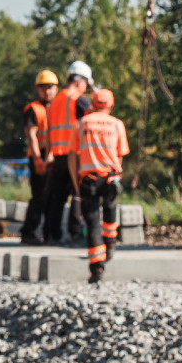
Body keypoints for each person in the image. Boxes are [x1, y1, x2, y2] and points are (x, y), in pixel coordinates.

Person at [70, 89, 130, 284]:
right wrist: (116, 174)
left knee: (93, 221)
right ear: (111, 105)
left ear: (93, 104)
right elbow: (120, 154)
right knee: (110, 207)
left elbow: (73, 156)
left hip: (88, 178)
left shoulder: (81, 124)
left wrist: (75, 181)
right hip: (111, 176)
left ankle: (97, 267)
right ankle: (110, 243)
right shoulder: (117, 124)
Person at [41, 61, 93, 244]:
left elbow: (50, 130)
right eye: (86, 84)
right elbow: (93, 122)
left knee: (58, 196)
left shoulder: (56, 100)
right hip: (75, 155)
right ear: (80, 82)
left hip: (58, 154)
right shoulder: (79, 99)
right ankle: (76, 232)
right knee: (78, 193)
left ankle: (52, 234)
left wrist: (48, 154)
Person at [20, 69, 59, 245]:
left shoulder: (58, 107)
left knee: (53, 197)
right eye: (43, 88)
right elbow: (31, 136)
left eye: (50, 87)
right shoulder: (33, 109)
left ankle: (50, 233)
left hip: (54, 155)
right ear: (38, 89)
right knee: (39, 196)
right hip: (39, 155)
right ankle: (29, 232)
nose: (47, 91)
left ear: (56, 88)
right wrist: (38, 160)